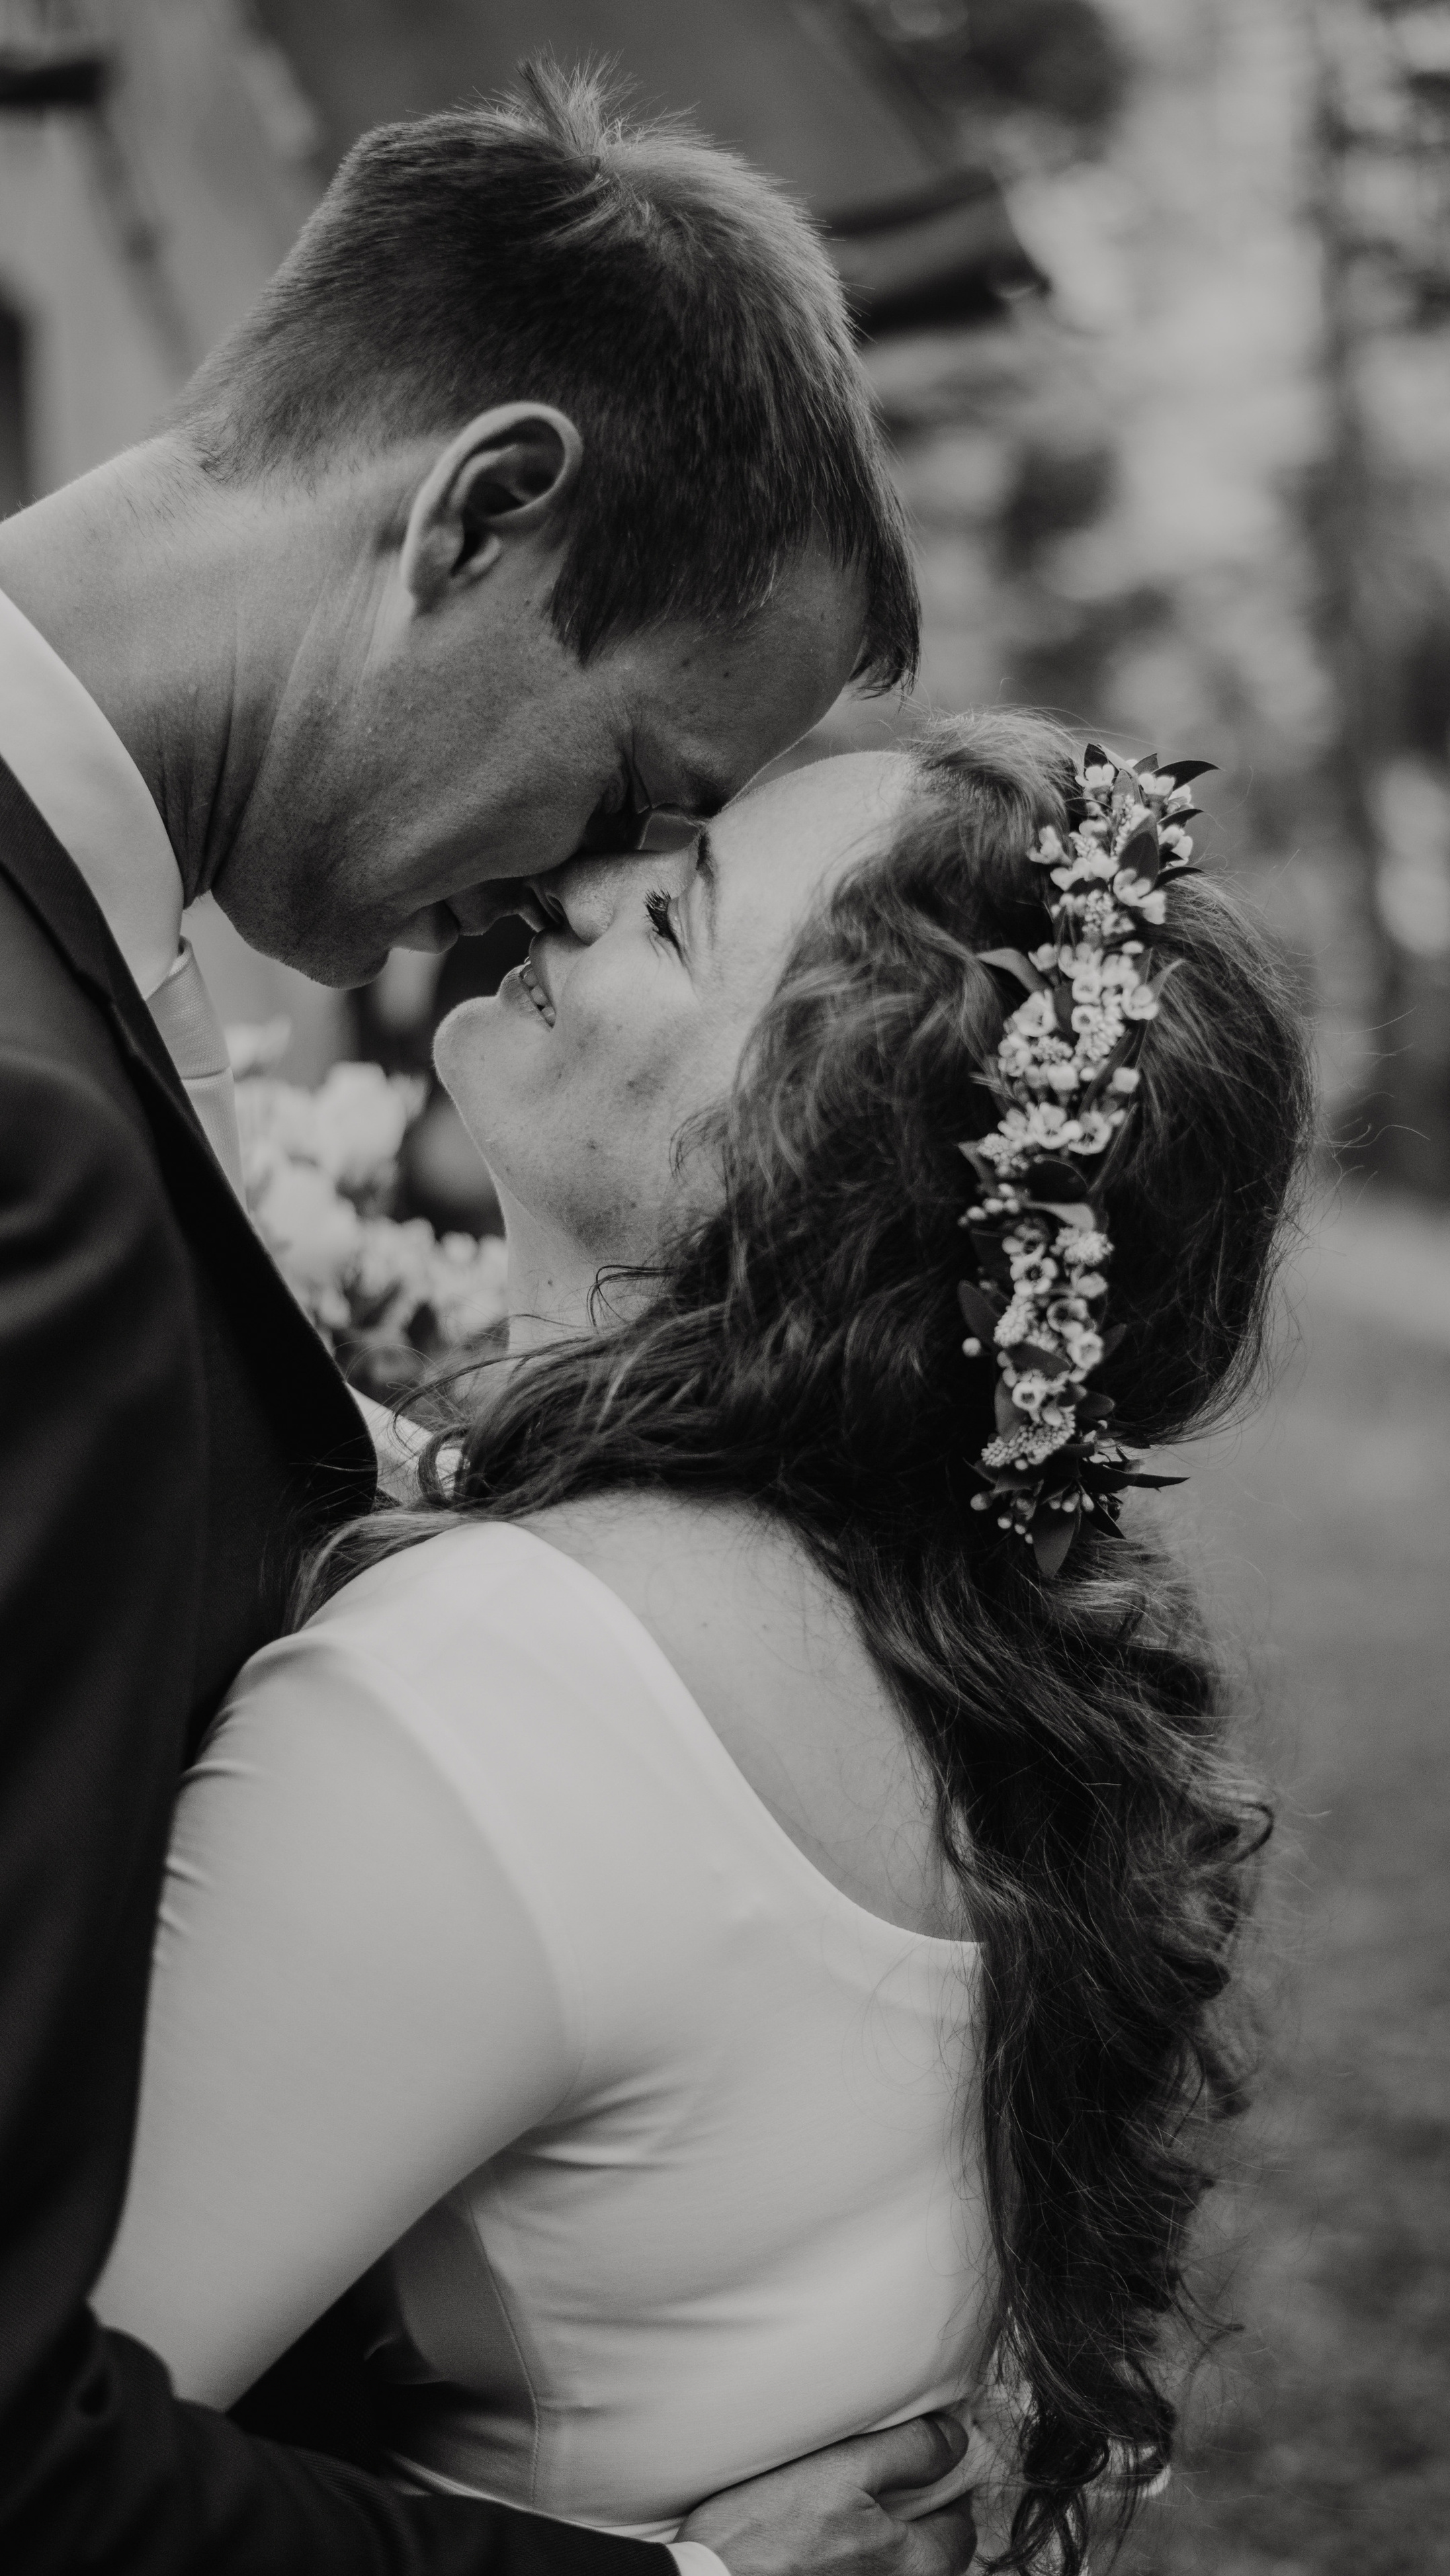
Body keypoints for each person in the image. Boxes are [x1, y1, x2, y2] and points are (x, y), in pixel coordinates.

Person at [0, 62, 968, 2576]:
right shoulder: (29, 1151)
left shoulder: (84, 1000)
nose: (582, 894)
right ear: (480, 506)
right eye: (637, 779)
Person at [93, 716, 1314, 2575]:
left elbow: (44, 2452)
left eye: (677, 912)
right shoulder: (972, 1686)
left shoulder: (503, 1681)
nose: (571, 881)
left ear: (808, 1165)